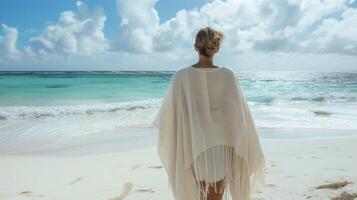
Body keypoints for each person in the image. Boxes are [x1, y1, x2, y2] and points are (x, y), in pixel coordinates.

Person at [152, 26, 265, 200]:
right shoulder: (228, 75)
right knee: (215, 197)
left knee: (200, 195)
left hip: (194, 147)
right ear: (216, 48)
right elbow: (239, 117)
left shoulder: (181, 76)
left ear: (196, 47)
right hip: (222, 149)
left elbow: (171, 118)